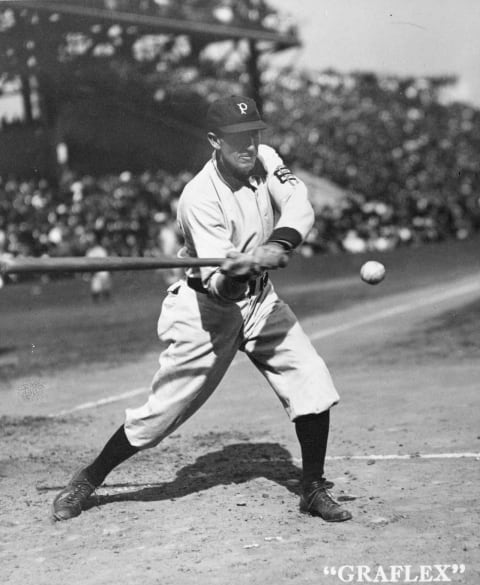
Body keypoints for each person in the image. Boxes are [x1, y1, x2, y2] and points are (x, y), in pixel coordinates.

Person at [52, 95, 352, 523]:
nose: (248, 146)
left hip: (263, 301)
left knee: (311, 378)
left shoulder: (266, 159)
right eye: (236, 139)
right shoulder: (199, 198)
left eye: (253, 135)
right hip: (208, 309)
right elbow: (223, 289)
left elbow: (300, 203)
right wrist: (237, 272)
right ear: (214, 140)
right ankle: (88, 478)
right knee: (161, 414)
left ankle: (313, 488)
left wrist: (276, 245)